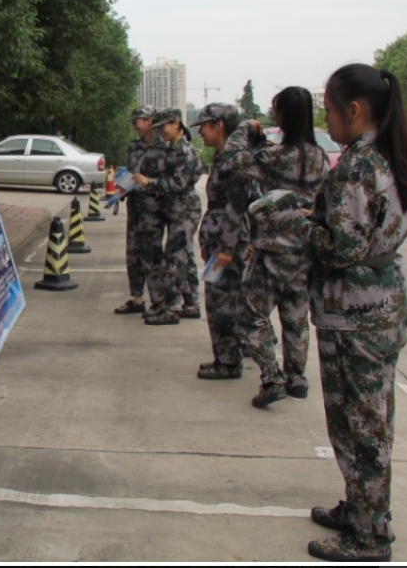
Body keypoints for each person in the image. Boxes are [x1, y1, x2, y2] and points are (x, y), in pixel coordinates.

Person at [305, 64, 407, 562]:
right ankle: (360, 509)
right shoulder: (389, 155)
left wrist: (299, 227)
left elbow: (341, 247)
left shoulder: (357, 165)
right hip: (381, 307)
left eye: (329, 111)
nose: (326, 121)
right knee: (371, 419)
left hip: (354, 314)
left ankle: (369, 535)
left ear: (353, 110)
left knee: (359, 427)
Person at [226, 87, 330, 408]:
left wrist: (244, 128)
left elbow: (232, 160)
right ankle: (297, 378)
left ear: (283, 116)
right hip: (306, 247)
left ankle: (272, 377)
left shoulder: (274, 157)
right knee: (296, 315)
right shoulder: (321, 157)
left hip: (274, 248)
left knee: (249, 315)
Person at [190, 103, 254, 378]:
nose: (201, 133)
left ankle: (229, 362)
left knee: (224, 304)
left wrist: (228, 247)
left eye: (204, 126)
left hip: (228, 245)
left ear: (218, 125)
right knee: (219, 302)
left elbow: (237, 207)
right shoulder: (222, 157)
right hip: (219, 242)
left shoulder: (234, 159)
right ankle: (225, 357)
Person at [132, 108, 203, 324]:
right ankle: (191, 304)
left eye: (163, 126)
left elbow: (177, 183)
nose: (160, 131)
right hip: (177, 209)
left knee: (175, 260)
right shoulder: (174, 149)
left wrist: (149, 182)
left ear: (176, 123)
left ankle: (172, 309)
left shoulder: (184, 151)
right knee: (185, 257)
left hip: (184, 209)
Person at [114, 105, 159, 316]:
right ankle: (137, 298)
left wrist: (148, 182)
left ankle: (159, 302)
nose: (135, 125)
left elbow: (168, 178)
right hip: (135, 207)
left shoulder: (163, 147)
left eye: (137, 121)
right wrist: (121, 189)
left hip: (154, 210)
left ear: (150, 120)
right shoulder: (133, 147)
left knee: (152, 256)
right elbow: (130, 174)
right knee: (133, 254)